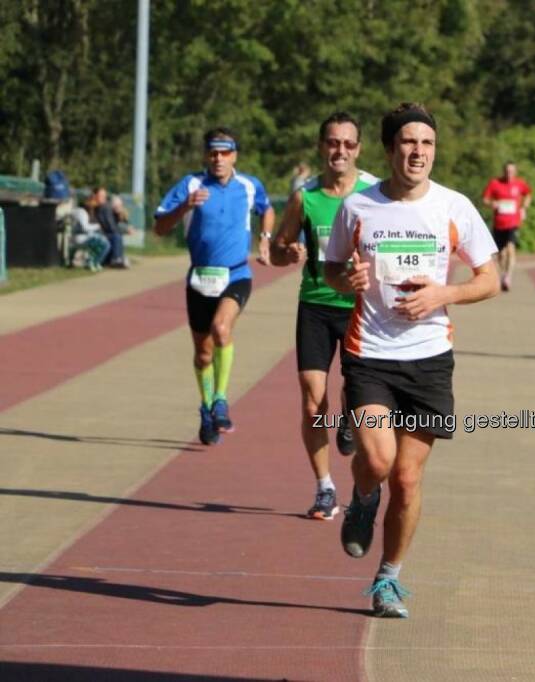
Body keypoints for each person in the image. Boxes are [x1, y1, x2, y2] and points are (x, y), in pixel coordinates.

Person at [324, 102, 499, 618]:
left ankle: (388, 580)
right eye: (408, 142)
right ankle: (360, 497)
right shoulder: (358, 207)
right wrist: (346, 281)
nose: (419, 151)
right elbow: (333, 270)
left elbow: (488, 280)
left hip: (429, 359)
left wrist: (442, 294)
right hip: (371, 355)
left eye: (427, 143)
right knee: (376, 462)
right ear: (390, 149)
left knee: (406, 479)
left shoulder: (454, 207)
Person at [270, 112, 377, 521]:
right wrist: (287, 253)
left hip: (360, 309)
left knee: (357, 394)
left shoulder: (373, 193)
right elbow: (279, 248)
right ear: (321, 146)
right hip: (315, 305)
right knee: (313, 402)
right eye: (333, 143)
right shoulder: (305, 196)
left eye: (349, 144)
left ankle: (350, 419)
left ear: (359, 149)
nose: (340, 151)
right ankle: (325, 488)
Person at [153, 127, 275, 445]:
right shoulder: (191, 185)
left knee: (222, 329)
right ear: (206, 155)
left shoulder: (250, 186)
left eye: (224, 152)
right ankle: (207, 408)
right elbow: (160, 228)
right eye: (213, 152)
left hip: (236, 274)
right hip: (199, 278)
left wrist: (265, 239)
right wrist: (186, 207)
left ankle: (221, 399)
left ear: (235, 155)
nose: (218, 158)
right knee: (203, 354)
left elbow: (267, 208)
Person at [481, 161, 531, 292]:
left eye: (512, 171)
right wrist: (493, 203)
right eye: (507, 171)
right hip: (499, 222)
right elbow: (485, 199)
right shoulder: (495, 183)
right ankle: (503, 274)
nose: (509, 173)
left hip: (513, 222)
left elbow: (528, 194)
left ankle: (508, 277)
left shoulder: (520, 184)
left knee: (510, 248)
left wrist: (524, 208)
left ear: (515, 172)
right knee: (501, 254)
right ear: (504, 171)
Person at [91, 187, 129, 268]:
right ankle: (116, 259)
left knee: (116, 235)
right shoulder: (93, 208)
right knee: (116, 236)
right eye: (101, 196)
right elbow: (109, 226)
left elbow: (119, 221)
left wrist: (120, 214)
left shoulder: (107, 207)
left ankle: (117, 259)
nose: (103, 198)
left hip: (106, 233)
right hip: (98, 233)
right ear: (95, 196)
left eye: (104, 196)